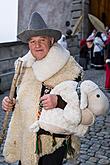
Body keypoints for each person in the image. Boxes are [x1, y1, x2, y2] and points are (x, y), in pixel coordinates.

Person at [2, 12, 83, 165]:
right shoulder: (23, 67)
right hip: (27, 139)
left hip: (53, 140)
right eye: (32, 41)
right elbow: (24, 101)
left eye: (42, 40)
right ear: (28, 45)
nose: (37, 45)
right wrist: (11, 104)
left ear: (51, 41)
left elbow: (83, 103)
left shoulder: (69, 67)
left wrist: (58, 101)